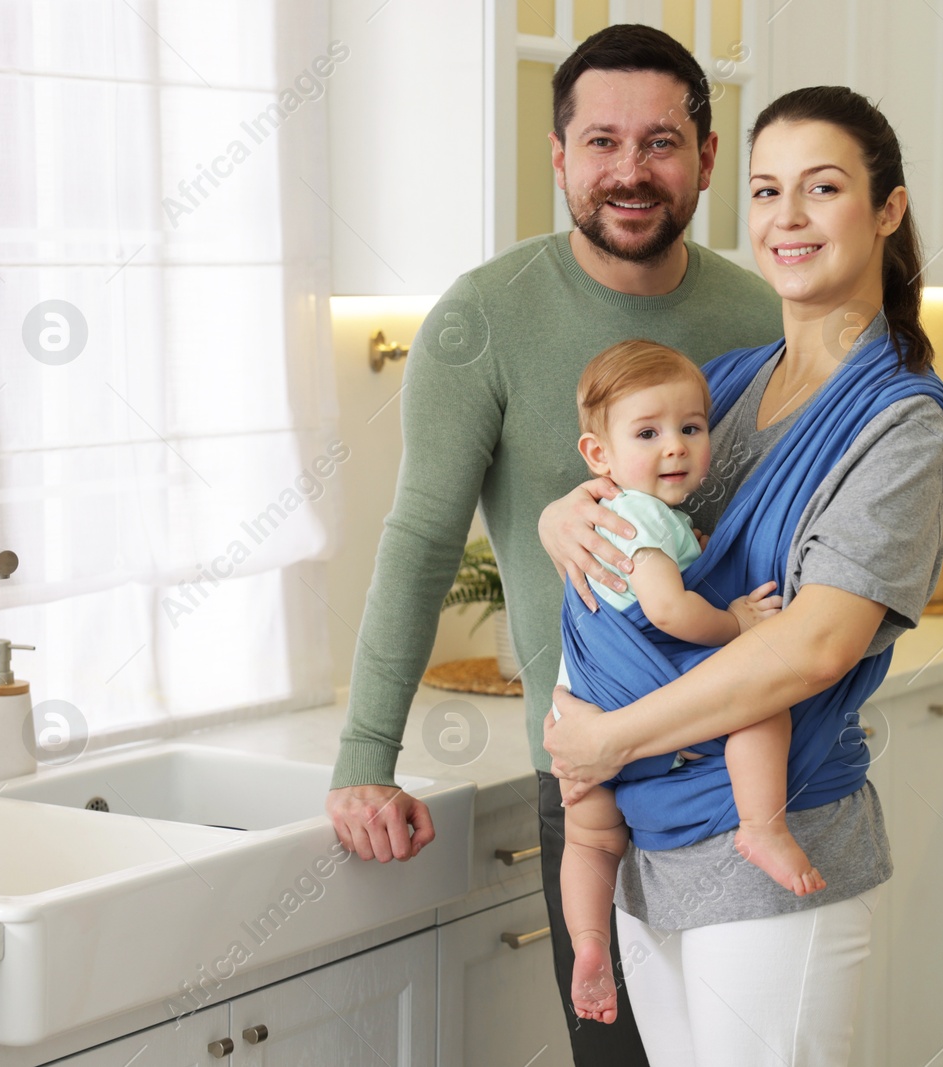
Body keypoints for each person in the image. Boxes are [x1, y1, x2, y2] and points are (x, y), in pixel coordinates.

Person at [323, 23, 782, 1065]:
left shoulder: (758, 312)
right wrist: (365, 757)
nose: (630, 170)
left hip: (753, 757)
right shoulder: (479, 320)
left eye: (661, 142)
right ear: (558, 155)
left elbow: (774, 531)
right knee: (616, 1054)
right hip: (590, 766)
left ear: (708, 157)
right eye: (602, 141)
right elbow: (419, 541)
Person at [539, 85, 943, 1065]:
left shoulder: (897, 422)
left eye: (822, 188)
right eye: (767, 191)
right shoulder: (718, 386)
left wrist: (604, 739)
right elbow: (618, 488)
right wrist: (567, 510)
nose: (788, 218)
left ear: (886, 209)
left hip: (772, 847)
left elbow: (813, 643)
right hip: (655, 838)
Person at [553, 339, 825, 1025]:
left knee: (588, 837)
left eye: (691, 427)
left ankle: (588, 944)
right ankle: (762, 824)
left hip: (578, 706)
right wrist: (736, 623)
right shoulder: (640, 516)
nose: (675, 446)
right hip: (632, 689)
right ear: (599, 455)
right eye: (648, 432)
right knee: (761, 698)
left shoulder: (619, 516)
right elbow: (667, 609)